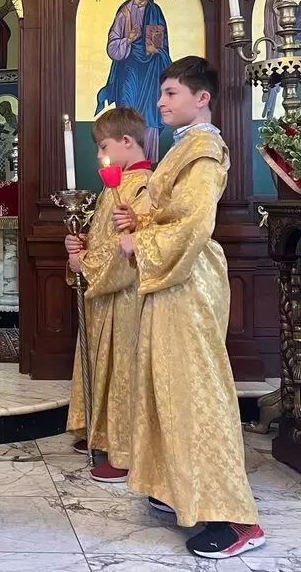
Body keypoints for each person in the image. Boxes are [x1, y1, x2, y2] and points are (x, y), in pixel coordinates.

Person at [113, 56, 265, 559]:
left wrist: (143, 244)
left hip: (188, 278)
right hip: (173, 281)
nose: (160, 101)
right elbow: (168, 210)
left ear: (201, 98)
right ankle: (175, 487)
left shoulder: (203, 149)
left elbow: (195, 223)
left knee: (198, 391)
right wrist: (135, 217)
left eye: (171, 92)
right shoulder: (186, 147)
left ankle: (233, 518)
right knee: (167, 384)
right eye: (162, 92)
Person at [64, 107, 151, 483]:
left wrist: (85, 263)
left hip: (127, 297)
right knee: (104, 365)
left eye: (104, 145)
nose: (101, 153)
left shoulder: (143, 186)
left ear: (127, 142)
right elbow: (105, 239)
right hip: (107, 296)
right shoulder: (115, 186)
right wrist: (81, 244)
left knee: (124, 372)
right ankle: (101, 432)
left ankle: (127, 452)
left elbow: (129, 248)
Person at [95, 0, 172, 163]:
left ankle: (147, 164)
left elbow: (159, 45)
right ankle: (126, 161)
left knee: (149, 113)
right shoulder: (125, 11)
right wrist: (128, 40)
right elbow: (113, 44)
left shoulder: (155, 11)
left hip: (150, 71)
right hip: (128, 68)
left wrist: (154, 47)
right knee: (127, 111)